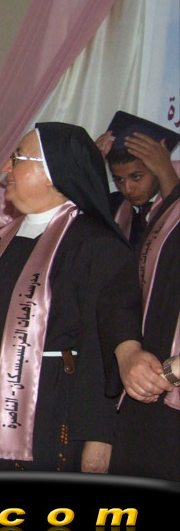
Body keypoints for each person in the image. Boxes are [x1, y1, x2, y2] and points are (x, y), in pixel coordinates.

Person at [0, 123, 131, 473]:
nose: (6, 168)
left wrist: (99, 437)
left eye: (17, 159)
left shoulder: (97, 247)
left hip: (42, 414)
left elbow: (101, 351)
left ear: (53, 174)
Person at [97, 184, 180, 481]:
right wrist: (128, 351)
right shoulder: (174, 206)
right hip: (150, 408)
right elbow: (122, 292)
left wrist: (170, 373)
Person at [96, 111, 180, 247]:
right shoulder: (114, 207)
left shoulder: (173, 200)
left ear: (157, 169)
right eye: (119, 180)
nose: (127, 189)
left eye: (136, 177)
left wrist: (166, 172)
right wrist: (90, 167)